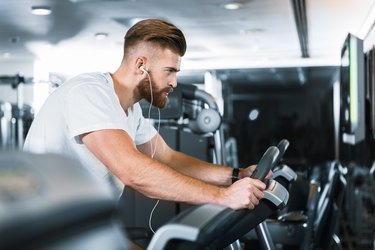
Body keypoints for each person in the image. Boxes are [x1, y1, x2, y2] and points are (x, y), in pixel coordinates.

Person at [23, 18, 266, 211]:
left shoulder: (131, 110)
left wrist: (236, 176)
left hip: (82, 226)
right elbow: (132, 171)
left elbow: (169, 158)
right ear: (141, 65)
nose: (173, 82)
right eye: (169, 71)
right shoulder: (88, 92)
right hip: (45, 231)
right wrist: (223, 197)